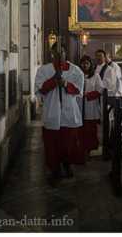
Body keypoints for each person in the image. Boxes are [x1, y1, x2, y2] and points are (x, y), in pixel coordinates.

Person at [36, 43, 85, 183]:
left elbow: (78, 91)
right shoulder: (44, 70)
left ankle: (67, 164)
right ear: (51, 53)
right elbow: (41, 90)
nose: (58, 55)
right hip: (51, 111)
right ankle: (54, 169)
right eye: (55, 52)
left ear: (65, 52)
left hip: (69, 111)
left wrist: (65, 84)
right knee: (52, 144)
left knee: (68, 143)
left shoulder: (76, 71)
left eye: (61, 52)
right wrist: (53, 81)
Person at [78, 55, 104, 155]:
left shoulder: (96, 76)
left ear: (90, 64)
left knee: (90, 130)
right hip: (80, 105)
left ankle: (90, 149)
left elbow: (100, 89)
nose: (85, 65)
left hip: (91, 105)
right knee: (81, 129)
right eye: (83, 63)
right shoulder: (77, 75)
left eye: (87, 63)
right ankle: (81, 148)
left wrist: (88, 95)